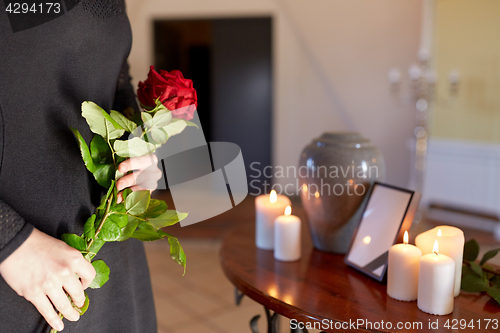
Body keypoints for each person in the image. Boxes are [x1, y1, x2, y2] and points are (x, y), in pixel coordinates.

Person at [0, 1, 160, 332]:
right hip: (24, 268)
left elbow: (116, 77)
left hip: (107, 243)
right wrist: (9, 242)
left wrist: (135, 144)